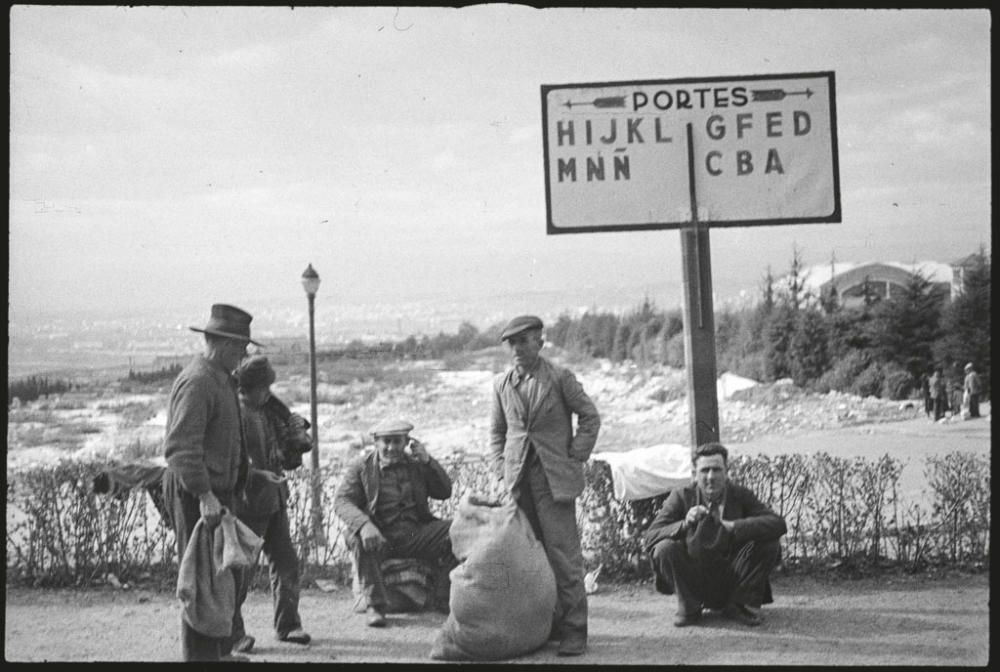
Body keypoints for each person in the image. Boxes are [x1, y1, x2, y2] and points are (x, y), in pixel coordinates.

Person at [488, 315, 601, 657]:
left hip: (553, 482)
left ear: (540, 342)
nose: (518, 349)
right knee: (526, 558)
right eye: (512, 343)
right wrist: (500, 469)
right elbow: (497, 433)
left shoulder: (560, 378)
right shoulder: (502, 385)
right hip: (517, 482)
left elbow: (590, 417)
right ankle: (541, 627)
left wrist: (574, 456)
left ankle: (575, 630)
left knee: (564, 558)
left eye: (525, 341)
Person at [161, 303, 257, 662]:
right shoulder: (199, 381)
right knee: (200, 582)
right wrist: (205, 495)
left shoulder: (219, 378)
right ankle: (201, 659)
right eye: (240, 347)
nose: (244, 354)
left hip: (217, 494)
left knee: (220, 579)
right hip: (197, 494)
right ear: (221, 344)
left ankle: (217, 654)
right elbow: (181, 449)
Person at [644, 442, 787, 628]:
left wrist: (734, 526)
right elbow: (650, 537)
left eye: (717, 470)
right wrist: (684, 523)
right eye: (705, 470)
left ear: (727, 472)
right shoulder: (681, 496)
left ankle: (738, 605)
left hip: (732, 575)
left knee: (769, 544)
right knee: (663, 548)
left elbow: (778, 523)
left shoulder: (740, 495)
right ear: (695, 474)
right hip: (694, 576)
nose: (710, 477)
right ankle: (689, 607)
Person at [333, 419, 457, 628]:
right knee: (354, 535)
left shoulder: (416, 465)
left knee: (458, 530)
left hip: (413, 534)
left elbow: (444, 492)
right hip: (380, 536)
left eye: (397, 442)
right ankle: (375, 606)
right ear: (376, 442)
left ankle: (442, 598)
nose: (391, 448)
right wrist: (365, 525)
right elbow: (342, 501)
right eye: (386, 442)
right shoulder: (361, 467)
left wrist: (428, 461)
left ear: (407, 442)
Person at [229, 355, 312, 653]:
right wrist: (256, 476)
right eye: (263, 387)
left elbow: (287, 460)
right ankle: (231, 634)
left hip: (275, 501)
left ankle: (288, 625)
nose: (268, 392)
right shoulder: (236, 415)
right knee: (240, 573)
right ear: (249, 387)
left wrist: (294, 433)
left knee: (287, 563)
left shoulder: (266, 412)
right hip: (249, 505)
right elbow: (230, 464)